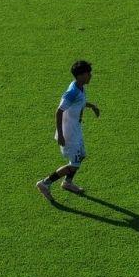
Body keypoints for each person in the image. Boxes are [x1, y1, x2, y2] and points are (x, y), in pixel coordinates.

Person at [35, 60, 99, 201]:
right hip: (69, 133)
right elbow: (59, 111)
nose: (91, 76)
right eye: (88, 73)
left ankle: (67, 183)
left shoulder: (80, 87)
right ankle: (45, 183)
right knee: (74, 163)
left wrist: (91, 106)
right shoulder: (72, 92)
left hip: (76, 129)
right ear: (81, 75)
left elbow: (80, 102)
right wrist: (61, 134)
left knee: (81, 156)